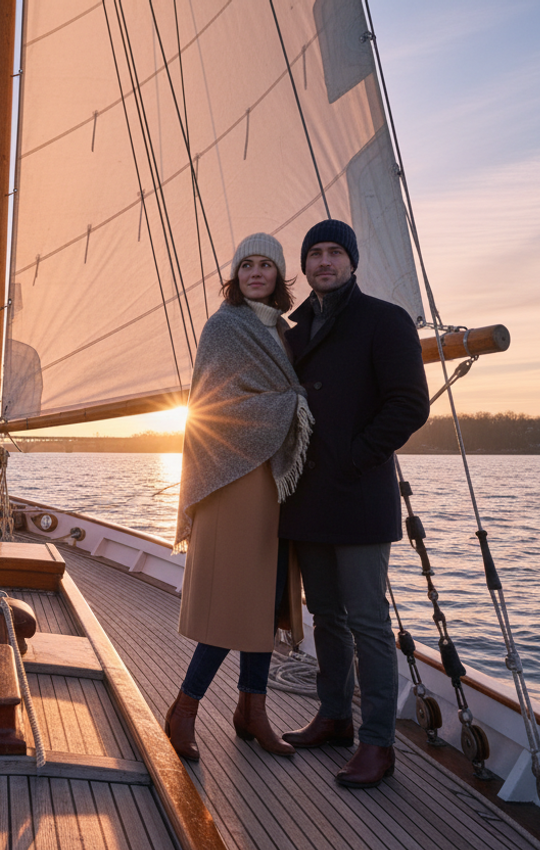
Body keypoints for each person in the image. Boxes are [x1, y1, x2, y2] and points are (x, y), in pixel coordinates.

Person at [279, 219, 429, 788]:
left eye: (334, 252)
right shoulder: (295, 331)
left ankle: (378, 743)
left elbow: (410, 405)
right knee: (327, 617)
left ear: (352, 260)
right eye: (314, 253)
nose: (323, 262)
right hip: (308, 500)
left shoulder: (383, 321)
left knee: (368, 621)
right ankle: (335, 716)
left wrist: (353, 455)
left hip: (359, 494)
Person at [165, 233, 313, 762]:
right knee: (234, 601)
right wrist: (288, 404)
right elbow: (212, 403)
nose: (255, 272)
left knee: (266, 598)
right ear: (235, 274)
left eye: (265, 264)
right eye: (246, 264)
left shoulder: (285, 332)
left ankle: (252, 710)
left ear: (278, 275)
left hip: (275, 476)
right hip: (233, 475)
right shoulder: (225, 327)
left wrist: (290, 404)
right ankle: (184, 708)